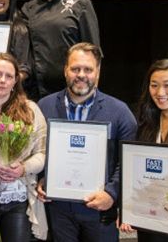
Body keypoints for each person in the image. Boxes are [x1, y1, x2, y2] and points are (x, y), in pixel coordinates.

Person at [37, 42, 137, 242]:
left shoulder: (120, 112)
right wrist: (41, 178)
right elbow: (37, 150)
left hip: (100, 212)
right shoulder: (44, 107)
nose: (81, 74)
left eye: (88, 69)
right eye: (75, 69)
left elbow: (128, 161)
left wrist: (112, 193)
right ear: (65, 71)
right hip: (58, 209)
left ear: (98, 73)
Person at [0, 53, 48, 241]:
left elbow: (42, 154)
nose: (2, 80)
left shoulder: (31, 110)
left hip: (19, 196)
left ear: (16, 81)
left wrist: (23, 168)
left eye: (9, 76)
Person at [120, 58, 168, 242]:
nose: (160, 92)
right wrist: (127, 211)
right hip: (151, 221)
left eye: (167, 85)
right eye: (154, 85)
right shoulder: (146, 124)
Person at [22, 0, 100, 99]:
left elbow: (95, 52)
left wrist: (93, 89)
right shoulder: (29, 8)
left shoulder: (81, 4)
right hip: (37, 91)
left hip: (75, 87)